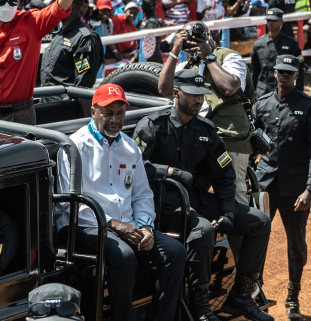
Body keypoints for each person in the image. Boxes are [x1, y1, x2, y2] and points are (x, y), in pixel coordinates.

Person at [135, 69, 273, 321]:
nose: (198, 100)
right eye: (193, 95)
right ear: (176, 92)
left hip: (195, 201)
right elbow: (134, 165)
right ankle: (200, 309)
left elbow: (224, 176)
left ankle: (240, 297)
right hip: (161, 206)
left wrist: (229, 211)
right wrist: (170, 171)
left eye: (202, 95)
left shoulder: (206, 130)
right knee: (203, 231)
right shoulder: (154, 124)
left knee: (259, 222)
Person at [55, 83, 185, 321]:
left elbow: (142, 195)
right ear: (93, 112)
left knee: (175, 252)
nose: (115, 119)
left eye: (120, 113)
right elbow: (71, 204)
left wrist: (145, 227)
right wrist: (114, 225)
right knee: (124, 256)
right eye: (108, 112)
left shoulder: (129, 146)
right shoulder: (74, 146)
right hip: (86, 225)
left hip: (128, 225)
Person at [253, 55, 311, 321]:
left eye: (289, 72)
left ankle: (292, 298)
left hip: (296, 189)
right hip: (266, 185)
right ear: (273, 73)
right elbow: (251, 143)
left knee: (296, 243)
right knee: (256, 239)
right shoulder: (261, 105)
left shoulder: (309, 107)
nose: (284, 76)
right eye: (280, 71)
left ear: (296, 75)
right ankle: (252, 293)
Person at [159, 21, 254, 204]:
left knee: (233, 194)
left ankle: (241, 230)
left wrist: (209, 58)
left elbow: (230, 87)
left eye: (197, 38)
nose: (193, 44)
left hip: (229, 138)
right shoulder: (186, 66)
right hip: (196, 140)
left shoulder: (228, 57)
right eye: (188, 40)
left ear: (209, 37)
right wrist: (174, 51)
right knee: (192, 192)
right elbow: (164, 88)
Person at [39, 0, 104, 98]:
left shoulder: (85, 38)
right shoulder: (59, 33)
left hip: (64, 109)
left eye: (56, 1)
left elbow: (83, 86)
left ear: (70, 3)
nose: (51, 4)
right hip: (46, 104)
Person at [250, 7, 302, 99]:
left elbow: (299, 69)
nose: (270, 23)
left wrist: (299, 92)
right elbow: (254, 71)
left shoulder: (291, 43)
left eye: (273, 20)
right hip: (262, 93)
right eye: (268, 20)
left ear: (281, 22)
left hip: (283, 92)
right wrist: (252, 93)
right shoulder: (259, 44)